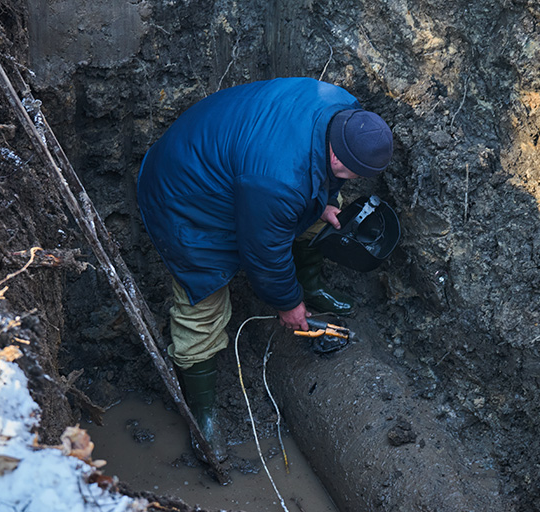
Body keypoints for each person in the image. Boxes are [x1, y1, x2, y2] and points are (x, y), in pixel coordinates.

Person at [136, 77, 393, 460]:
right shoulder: (278, 182)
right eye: (350, 172)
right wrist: (287, 304)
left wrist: (325, 200)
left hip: (232, 162)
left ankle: (310, 284)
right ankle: (203, 414)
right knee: (202, 299)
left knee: (322, 215)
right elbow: (263, 252)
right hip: (184, 196)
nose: (351, 179)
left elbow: (309, 186)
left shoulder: (343, 108)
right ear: (338, 155)